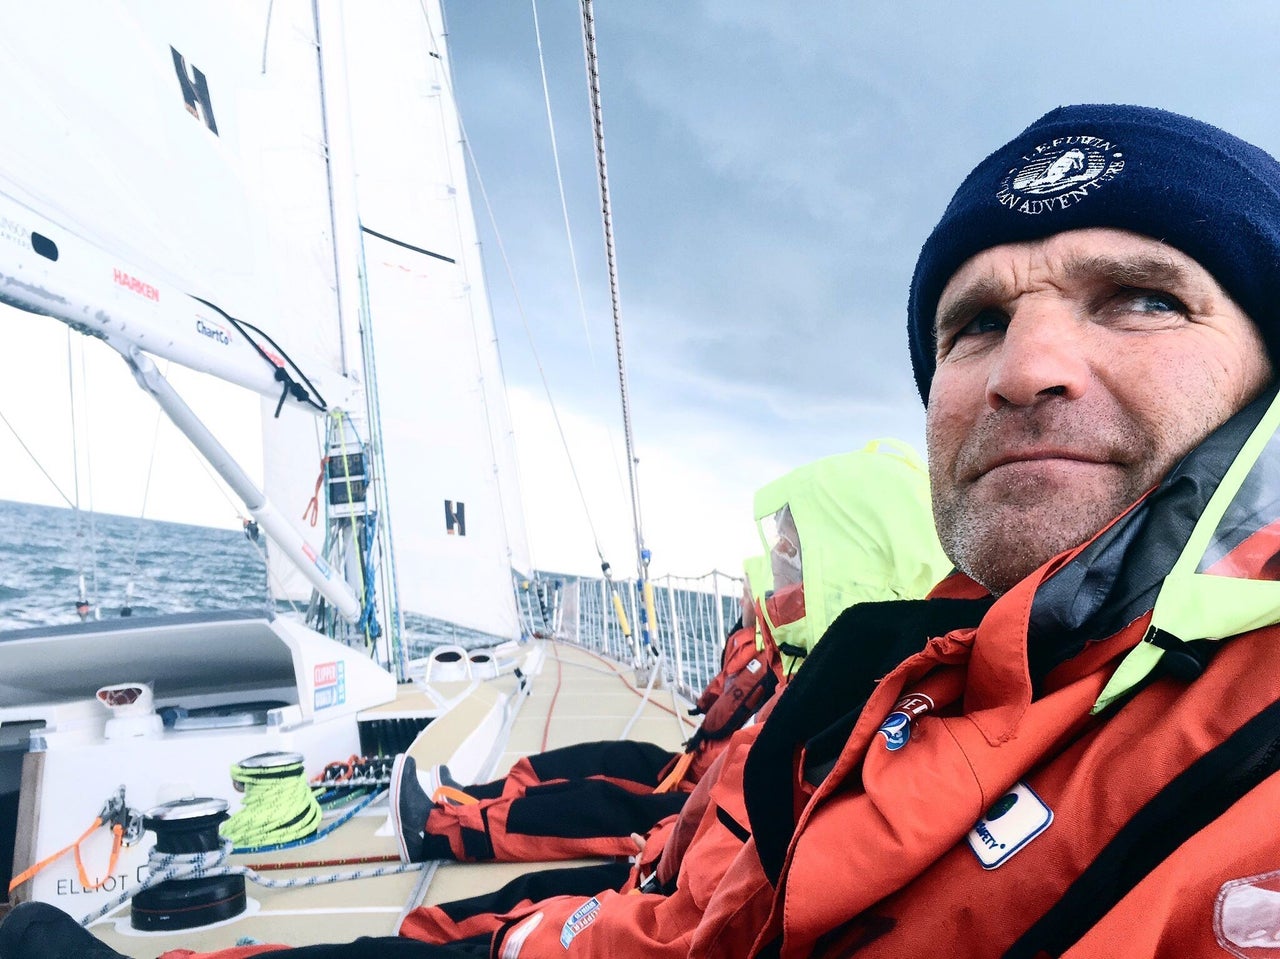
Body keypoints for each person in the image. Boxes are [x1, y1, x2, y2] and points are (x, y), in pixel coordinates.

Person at [16, 99, 1277, 959]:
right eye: (971, 325)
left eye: (1142, 298)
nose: (1023, 366)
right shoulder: (930, 677)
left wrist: (465, 843)